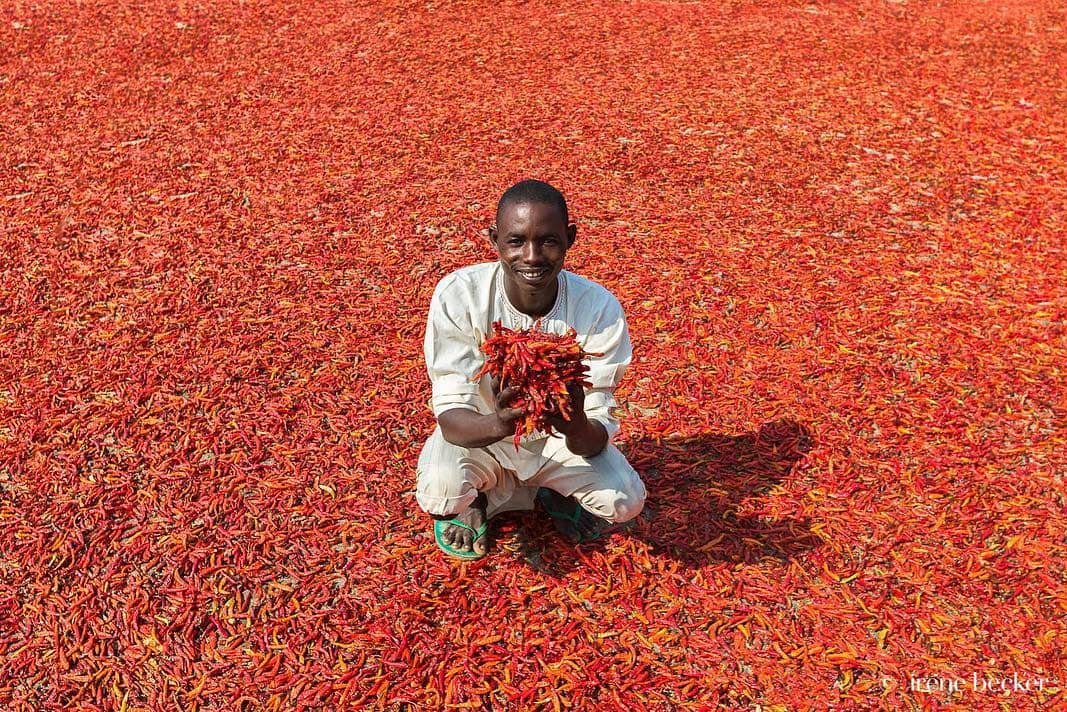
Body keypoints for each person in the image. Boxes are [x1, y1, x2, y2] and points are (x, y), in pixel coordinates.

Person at [415, 179, 646, 559]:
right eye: (516, 241)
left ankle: (554, 492)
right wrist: (501, 422)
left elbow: (594, 435)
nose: (533, 256)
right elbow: (451, 419)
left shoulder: (598, 310)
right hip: (480, 432)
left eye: (549, 241)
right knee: (440, 493)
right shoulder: (460, 295)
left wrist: (572, 423)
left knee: (626, 501)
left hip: (559, 442)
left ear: (571, 238)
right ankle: (476, 501)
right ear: (494, 240)